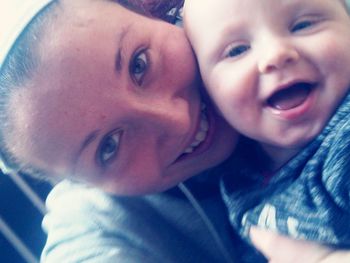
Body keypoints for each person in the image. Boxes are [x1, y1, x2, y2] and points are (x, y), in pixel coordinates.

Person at [1, 0, 349, 262]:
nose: (178, 120)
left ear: (154, 12)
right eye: (109, 146)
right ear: (80, 184)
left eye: (140, 65)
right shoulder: (97, 228)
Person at [184, 0, 350, 249]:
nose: (275, 54)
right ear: (207, 96)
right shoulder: (234, 168)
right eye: (237, 51)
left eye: (302, 25)